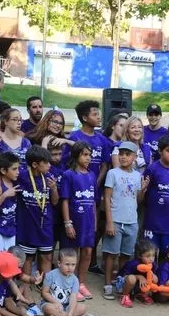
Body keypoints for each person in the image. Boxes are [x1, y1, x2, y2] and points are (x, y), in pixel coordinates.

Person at [67, 100, 112, 275]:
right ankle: (68, 273)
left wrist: (95, 183)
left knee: (90, 232)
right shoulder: (75, 137)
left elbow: (104, 165)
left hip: (95, 192)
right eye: (94, 114)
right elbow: (69, 164)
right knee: (73, 237)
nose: (99, 116)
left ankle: (83, 276)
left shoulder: (102, 139)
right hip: (75, 194)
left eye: (98, 113)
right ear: (85, 118)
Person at [103, 141, 147, 302]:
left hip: (131, 221)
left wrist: (143, 189)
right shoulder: (113, 173)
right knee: (111, 254)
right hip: (115, 219)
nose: (123, 157)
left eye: (127, 154)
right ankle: (108, 283)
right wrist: (109, 221)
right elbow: (107, 198)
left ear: (135, 157)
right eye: (121, 154)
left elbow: (138, 199)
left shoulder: (137, 175)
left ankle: (120, 281)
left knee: (126, 255)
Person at [16, 145, 59, 280]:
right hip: (27, 226)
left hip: (45, 224)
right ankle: (27, 287)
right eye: (45, 162)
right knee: (28, 257)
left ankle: (45, 288)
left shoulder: (49, 177)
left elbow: (55, 202)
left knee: (47, 256)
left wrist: (54, 189)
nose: (49, 165)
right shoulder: (22, 176)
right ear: (34, 164)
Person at [60, 142, 97, 298]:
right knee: (72, 254)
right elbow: (65, 201)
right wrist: (68, 223)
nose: (88, 158)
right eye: (84, 154)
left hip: (88, 221)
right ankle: (69, 284)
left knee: (88, 252)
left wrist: (94, 221)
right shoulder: (69, 175)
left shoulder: (91, 175)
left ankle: (80, 283)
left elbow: (94, 200)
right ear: (76, 155)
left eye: (89, 155)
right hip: (74, 221)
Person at [141, 135, 169, 260]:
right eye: (168, 151)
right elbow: (145, 192)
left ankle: (163, 279)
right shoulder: (152, 169)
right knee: (149, 255)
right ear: (160, 151)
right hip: (153, 221)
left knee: (167, 256)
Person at [40, 248, 95, 316]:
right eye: (67, 264)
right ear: (59, 264)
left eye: (73, 264)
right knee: (47, 308)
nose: (70, 267)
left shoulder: (75, 280)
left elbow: (73, 297)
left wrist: (71, 311)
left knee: (83, 308)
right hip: (51, 303)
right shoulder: (50, 275)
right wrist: (56, 303)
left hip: (66, 306)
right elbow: (45, 293)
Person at [113, 239, 160, 308]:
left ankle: (141, 295)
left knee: (155, 279)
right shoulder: (133, 264)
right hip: (123, 285)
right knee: (132, 278)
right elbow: (123, 276)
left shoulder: (153, 264)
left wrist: (153, 276)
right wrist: (138, 276)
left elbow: (154, 279)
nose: (151, 259)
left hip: (138, 285)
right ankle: (124, 296)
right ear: (140, 256)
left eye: (153, 256)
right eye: (148, 256)